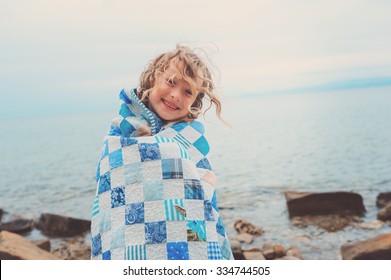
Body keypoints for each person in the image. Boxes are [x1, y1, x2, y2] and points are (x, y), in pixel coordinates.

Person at [91, 45, 233, 260]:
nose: (176, 95)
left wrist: (205, 184)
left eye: (188, 92)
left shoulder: (190, 139)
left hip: (182, 242)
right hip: (130, 241)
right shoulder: (122, 131)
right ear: (153, 78)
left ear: (195, 101)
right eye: (171, 82)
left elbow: (200, 200)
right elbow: (109, 187)